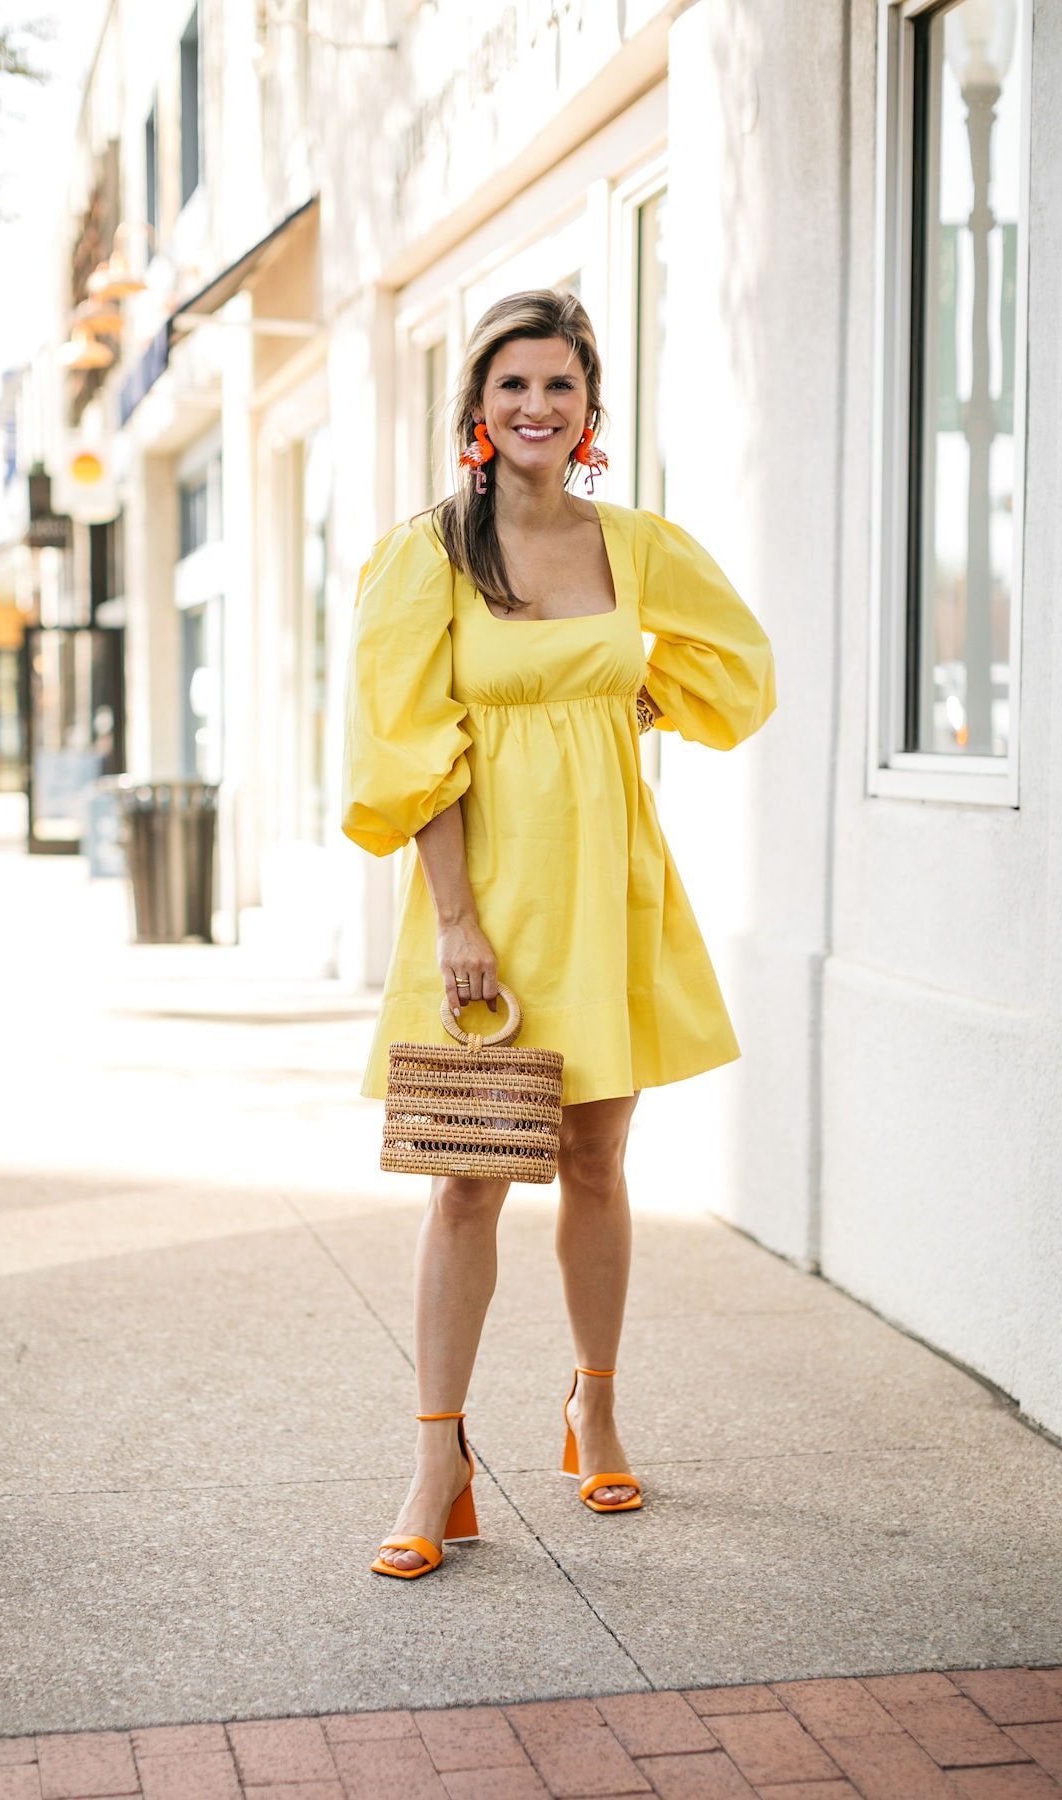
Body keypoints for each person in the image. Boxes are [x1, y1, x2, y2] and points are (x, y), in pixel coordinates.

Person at [342, 289, 776, 1579]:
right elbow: (406, 748)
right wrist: (459, 923)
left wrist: (631, 694)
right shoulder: (430, 554)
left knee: (599, 1154)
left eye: (561, 387)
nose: (537, 407)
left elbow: (734, 663)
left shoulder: (633, 544)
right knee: (466, 1174)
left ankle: (593, 1404)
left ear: (592, 406)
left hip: (608, 881)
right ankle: (438, 1462)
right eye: (512, 386)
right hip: (486, 899)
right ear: (478, 410)